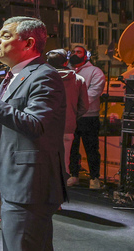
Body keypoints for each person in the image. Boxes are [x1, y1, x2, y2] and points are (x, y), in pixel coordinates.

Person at [0, 16, 66, 251]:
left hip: (28, 185)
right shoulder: (12, 75)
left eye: (5, 35)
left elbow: (35, 124)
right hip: (13, 180)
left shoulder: (44, 75)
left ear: (29, 43)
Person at [46, 49, 89, 186]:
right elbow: (84, 106)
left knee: (46, 164)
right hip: (68, 126)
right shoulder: (79, 79)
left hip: (46, 126)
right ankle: (60, 194)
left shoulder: (43, 78)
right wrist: (72, 115)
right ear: (66, 62)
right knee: (64, 164)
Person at [68, 45, 106, 189]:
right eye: (73, 51)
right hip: (72, 116)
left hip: (88, 117)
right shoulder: (68, 71)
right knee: (72, 148)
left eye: (78, 52)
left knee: (91, 148)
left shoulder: (95, 71)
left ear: (85, 56)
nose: (75, 54)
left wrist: (75, 104)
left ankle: (94, 178)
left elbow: (94, 92)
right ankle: (74, 175)